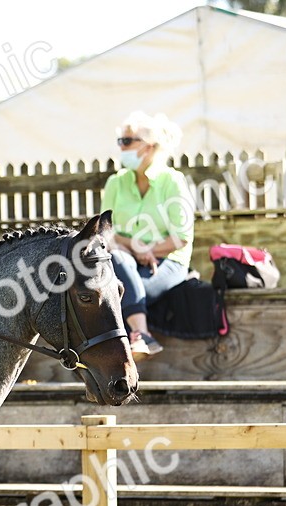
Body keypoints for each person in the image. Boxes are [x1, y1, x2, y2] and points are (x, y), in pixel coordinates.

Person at [101, 111, 195, 358]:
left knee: (124, 292)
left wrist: (150, 250)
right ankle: (142, 335)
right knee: (118, 263)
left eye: (128, 141)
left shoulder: (172, 181)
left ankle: (135, 338)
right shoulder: (115, 183)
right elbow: (104, 233)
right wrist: (133, 245)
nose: (122, 147)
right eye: (120, 141)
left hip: (169, 261)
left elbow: (182, 237)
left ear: (149, 147)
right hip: (125, 258)